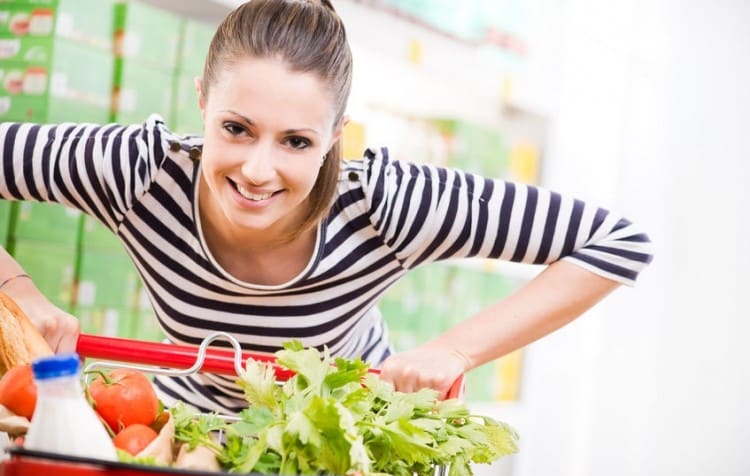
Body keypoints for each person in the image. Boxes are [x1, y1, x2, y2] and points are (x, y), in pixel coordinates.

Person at [0, 0, 652, 414]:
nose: (258, 170)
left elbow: (617, 243)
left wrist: (456, 350)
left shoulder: (388, 207)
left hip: (334, 441)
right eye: (236, 128)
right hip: (181, 425)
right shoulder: (139, 175)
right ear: (202, 101)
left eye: (296, 141)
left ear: (338, 137)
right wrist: (19, 292)